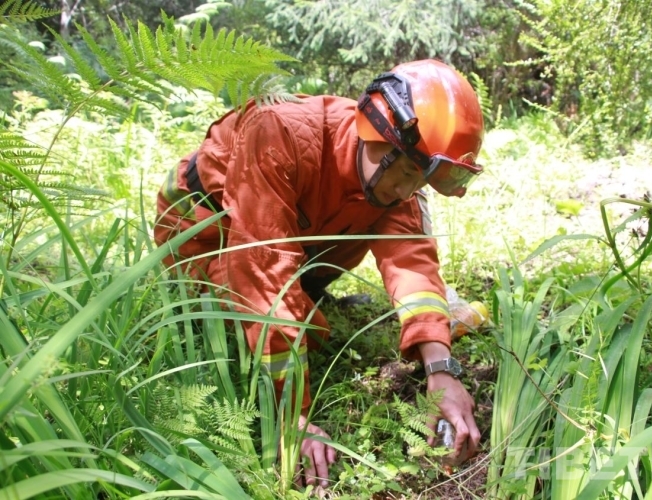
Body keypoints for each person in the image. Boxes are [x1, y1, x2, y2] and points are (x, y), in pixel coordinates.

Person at [153, 59, 484, 488]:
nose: (405, 191)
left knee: (315, 316)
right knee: (297, 332)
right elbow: (263, 274)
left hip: (291, 234)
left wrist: (442, 369)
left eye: (419, 180)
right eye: (405, 172)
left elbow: (412, 264)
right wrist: (295, 416)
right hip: (202, 231)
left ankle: (308, 300)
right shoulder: (278, 133)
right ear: (375, 132)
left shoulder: (392, 179)